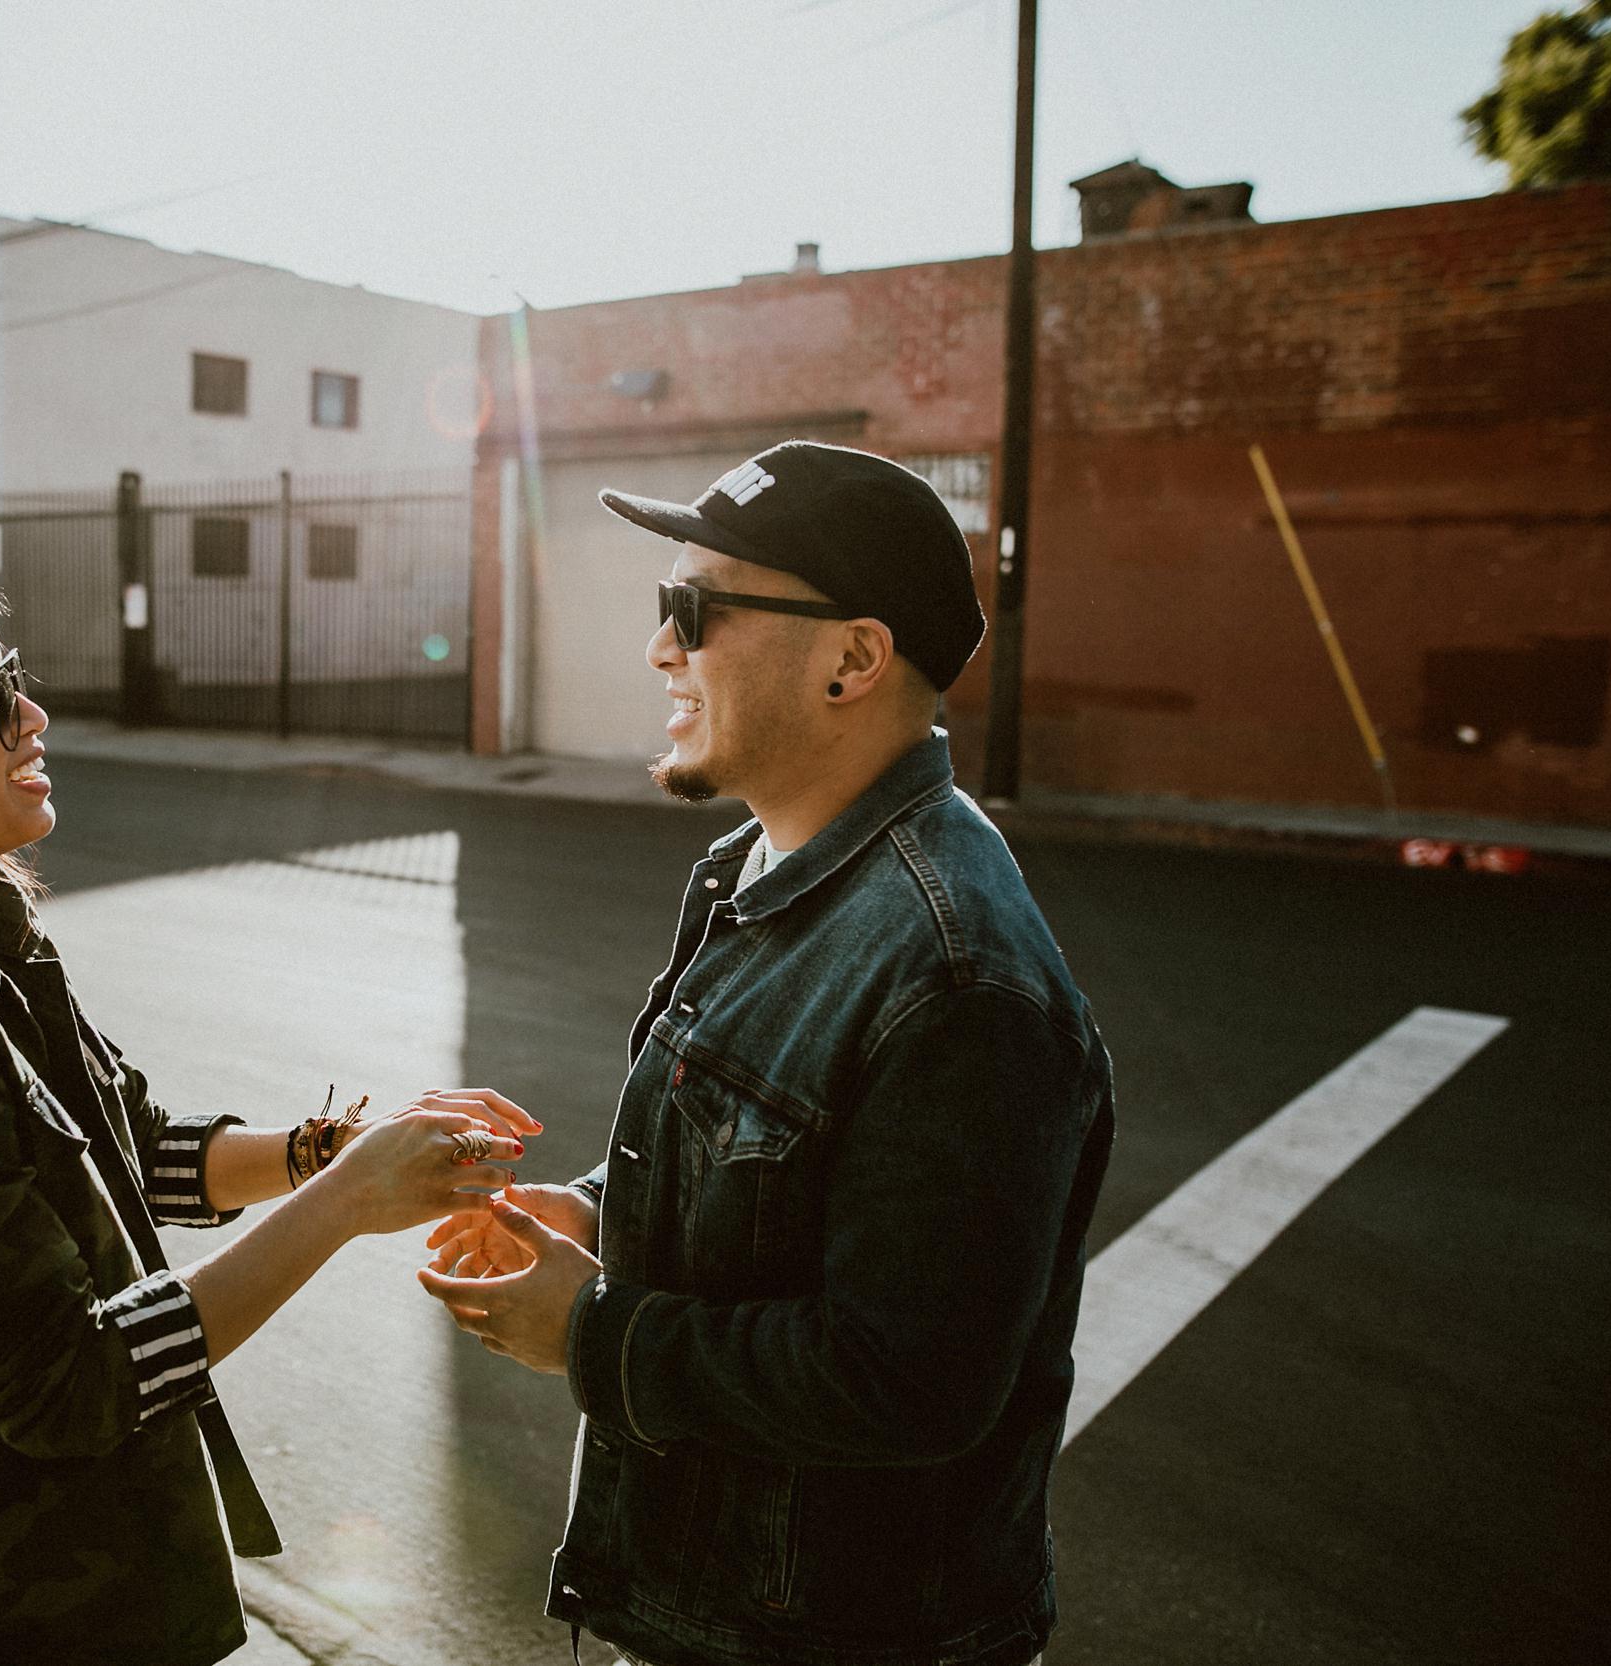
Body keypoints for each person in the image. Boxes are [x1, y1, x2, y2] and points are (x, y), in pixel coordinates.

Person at [0, 557, 535, 1666]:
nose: (31, 716)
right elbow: (70, 1381)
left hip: (59, 1593)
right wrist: (350, 1203)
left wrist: (330, 1151)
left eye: (13, 678)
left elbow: (138, 1153)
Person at [419, 443, 1115, 1666]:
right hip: (713, 1614)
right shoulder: (763, 863)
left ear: (853, 659)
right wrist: (596, 1213)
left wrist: (590, 1333)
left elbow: (911, 1380)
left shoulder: (957, 978)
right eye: (661, 607)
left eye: (694, 611)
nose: (659, 649)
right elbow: (769, 1173)